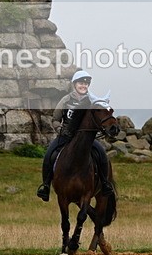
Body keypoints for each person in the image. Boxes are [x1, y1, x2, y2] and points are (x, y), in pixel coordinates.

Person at [36, 70, 115, 202]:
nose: (83, 86)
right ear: (75, 84)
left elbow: (99, 117)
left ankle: (105, 184)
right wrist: (60, 129)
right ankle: (45, 186)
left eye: (86, 84)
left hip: (85, 139)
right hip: (66, 136)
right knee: (49, 154)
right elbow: (55, 119)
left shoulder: (92, 102)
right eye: (81, 83)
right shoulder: (66, 100)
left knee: (101, 154)